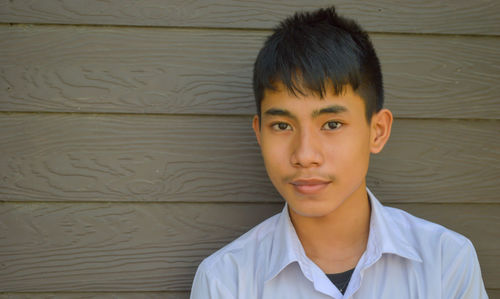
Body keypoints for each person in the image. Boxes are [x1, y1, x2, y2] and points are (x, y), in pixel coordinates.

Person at [190, 6, 488, 299]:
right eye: (282, 125)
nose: (305, 155)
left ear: (378, 131)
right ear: (259, 134)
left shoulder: (446, 262)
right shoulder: (225, 280)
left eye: (332, 124)